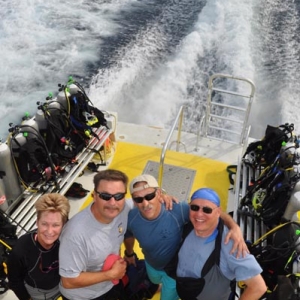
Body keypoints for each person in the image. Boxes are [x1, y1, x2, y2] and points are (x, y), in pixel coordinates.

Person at [124, 174, 248, 300]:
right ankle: (159, 286)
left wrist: (234, 227)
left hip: (174, 271)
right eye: (138, 199)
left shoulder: (177, 209)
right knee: (154, 280)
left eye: (149, 196)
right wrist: (129, 253)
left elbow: (211, 213)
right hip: (151, 264)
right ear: (134, 200)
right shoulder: (131, 218)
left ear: (159, 193)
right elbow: (128, 233)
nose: (145, 203)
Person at [175, 188, 267, 300]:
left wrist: (234, 228)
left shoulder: (230, 243)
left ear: (218, 212)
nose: (199, 214)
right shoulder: (190, 225)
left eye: (207, 210)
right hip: (185, 291)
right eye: (194, 207)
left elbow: (258, 287)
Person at [7, 193, 70, 300]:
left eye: (55, 225)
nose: (49, 231)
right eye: (44, 224)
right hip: (39, 295)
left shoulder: (68, 240)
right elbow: (15, 282)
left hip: (65, 286)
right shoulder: (20, 251)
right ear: (37, 222)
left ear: (64, 225)